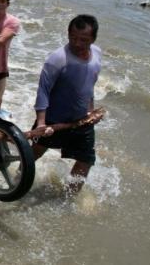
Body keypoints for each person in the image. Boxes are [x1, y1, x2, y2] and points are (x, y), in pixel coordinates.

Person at [32, 15, 102, 194]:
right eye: (73, 37)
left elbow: (89, 85)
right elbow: (43, 91)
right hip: (54, 119)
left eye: (83, 40)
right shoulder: (57, 59)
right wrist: (41, 123)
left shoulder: (97, 54)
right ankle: (19, 178)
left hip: (82, 120)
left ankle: (69, 196)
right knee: (35, 153)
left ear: (93, 39)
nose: (77, 43)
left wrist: (90, 111)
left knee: (86, 159)